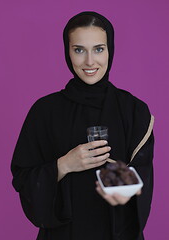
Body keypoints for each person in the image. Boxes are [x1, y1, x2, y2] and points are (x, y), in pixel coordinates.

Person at [11, 11, 154, 240]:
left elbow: (143, 175)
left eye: (99, 49)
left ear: (110, 49)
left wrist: (125, 190)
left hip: (117, 233)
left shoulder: (134, 110)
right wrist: (65, 164)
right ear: (67, 52)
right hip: (63, 234)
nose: (89, 61)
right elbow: (23, 178)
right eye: (79, 50)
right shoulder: (45, 111)